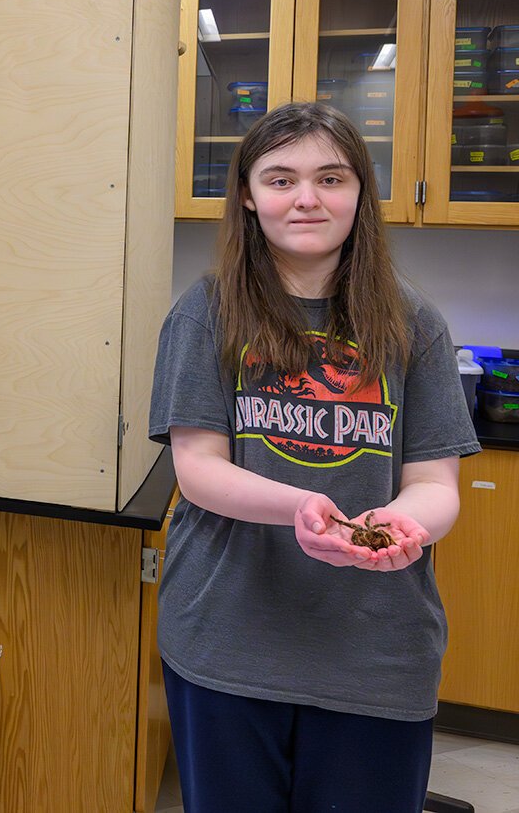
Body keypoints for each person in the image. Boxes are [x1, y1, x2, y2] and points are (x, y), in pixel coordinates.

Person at [149, 102, 479, 813]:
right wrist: (297, 505)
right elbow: (197, 467)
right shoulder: (205, 311)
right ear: (247, 193)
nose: (306, 198)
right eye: (280, 178)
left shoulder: (413, 322)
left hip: (375, 649)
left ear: (361, 191)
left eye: (330, 178)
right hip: (228, 637)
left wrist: (397, 525)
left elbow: (435, 483)